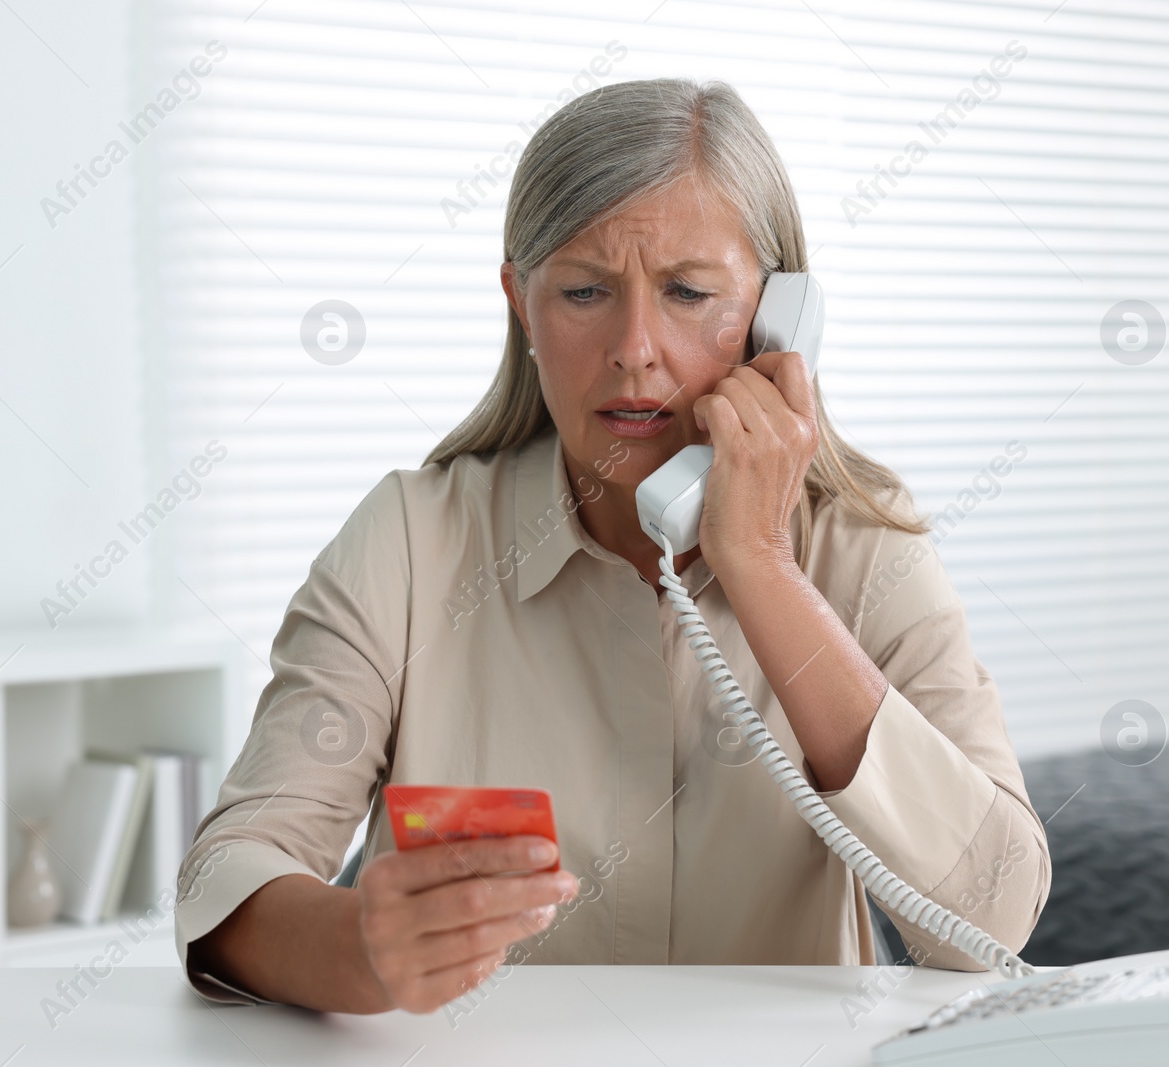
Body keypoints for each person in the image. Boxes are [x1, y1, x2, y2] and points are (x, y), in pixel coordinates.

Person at [176, 77, 1050, 1014]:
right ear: (521, 304)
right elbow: (227, 875)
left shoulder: (863, 552)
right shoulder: (409, 543)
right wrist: (358, 946)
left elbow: (993, 913)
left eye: (689, 292)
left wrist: (761, 564)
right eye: (586, 291)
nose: (635, 346)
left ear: (776, 315)